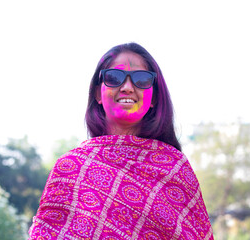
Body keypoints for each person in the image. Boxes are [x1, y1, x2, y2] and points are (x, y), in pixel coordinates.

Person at [28, 42, 214, 240]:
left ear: (154, 99)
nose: (127, 87)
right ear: (98, 93)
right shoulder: (71, 169)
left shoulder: (175, 169)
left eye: (141, 80)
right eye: (114, 78)